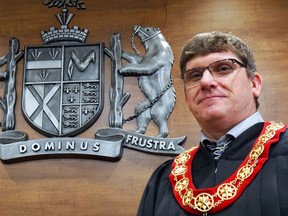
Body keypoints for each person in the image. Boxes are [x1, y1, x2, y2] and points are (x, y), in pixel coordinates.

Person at [137, 31, 288, 216]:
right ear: (186, 97)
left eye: (223, 68)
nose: (206, 81)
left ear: (254, 84)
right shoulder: (165, 179)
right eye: (194, 75)